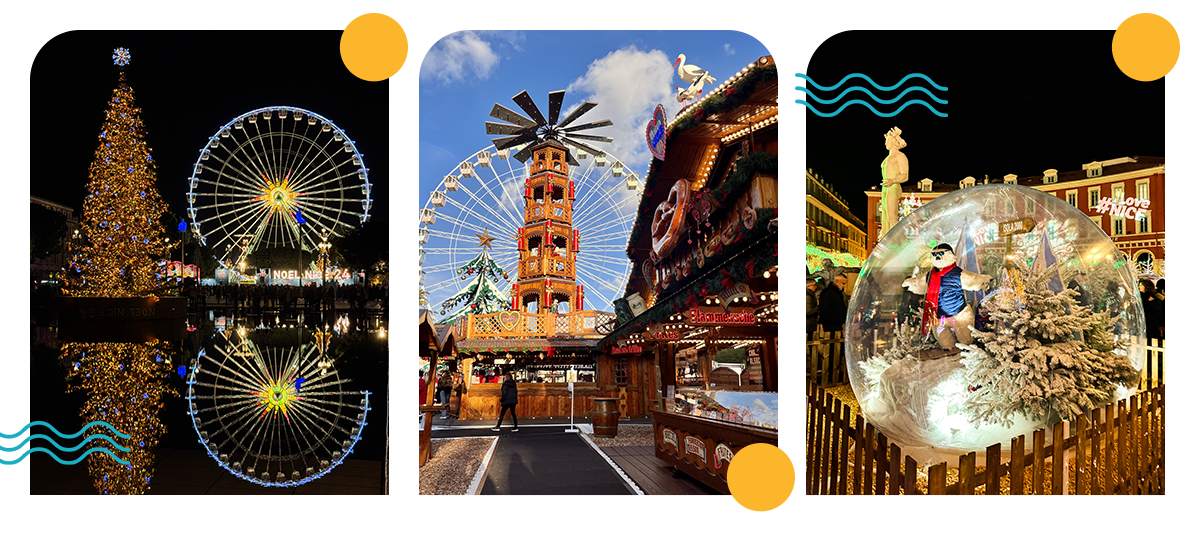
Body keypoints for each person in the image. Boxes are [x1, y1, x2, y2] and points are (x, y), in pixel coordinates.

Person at [878, 127, 910, 237]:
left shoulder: (900, 156)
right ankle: (889, 241)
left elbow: (905, 175)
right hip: (885, 188)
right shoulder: (887, 158)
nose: (885, 143)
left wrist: (893, 180)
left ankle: (903, 240)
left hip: (893, 186)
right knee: (886, 218)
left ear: (894, 142)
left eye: (887, 141)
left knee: (892, 217)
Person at [806, 276, 820, 340]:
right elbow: (808, 311)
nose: (815, 287)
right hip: (808, 324)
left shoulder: (810, 295)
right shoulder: (807, 296)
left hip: (809, 324)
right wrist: (818, 307)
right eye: (814, 285)